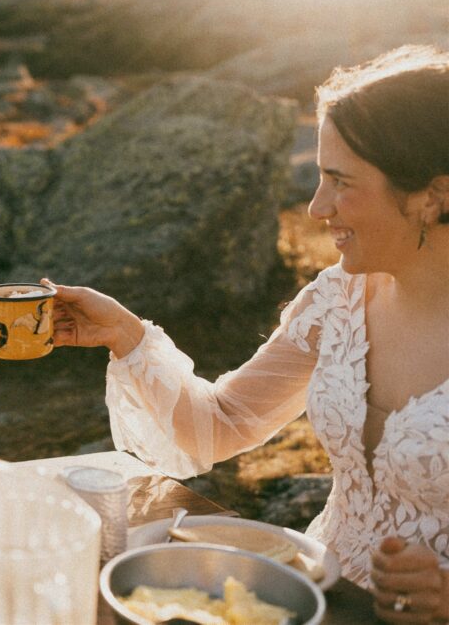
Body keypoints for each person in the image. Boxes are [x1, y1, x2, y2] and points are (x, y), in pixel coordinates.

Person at [46, 45, 448, 622]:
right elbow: (224, 423)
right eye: (320, 177)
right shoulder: (337, 299)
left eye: (340, 182)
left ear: (432, 196)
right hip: (311, 598)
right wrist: (126, 335)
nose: (316, 208)